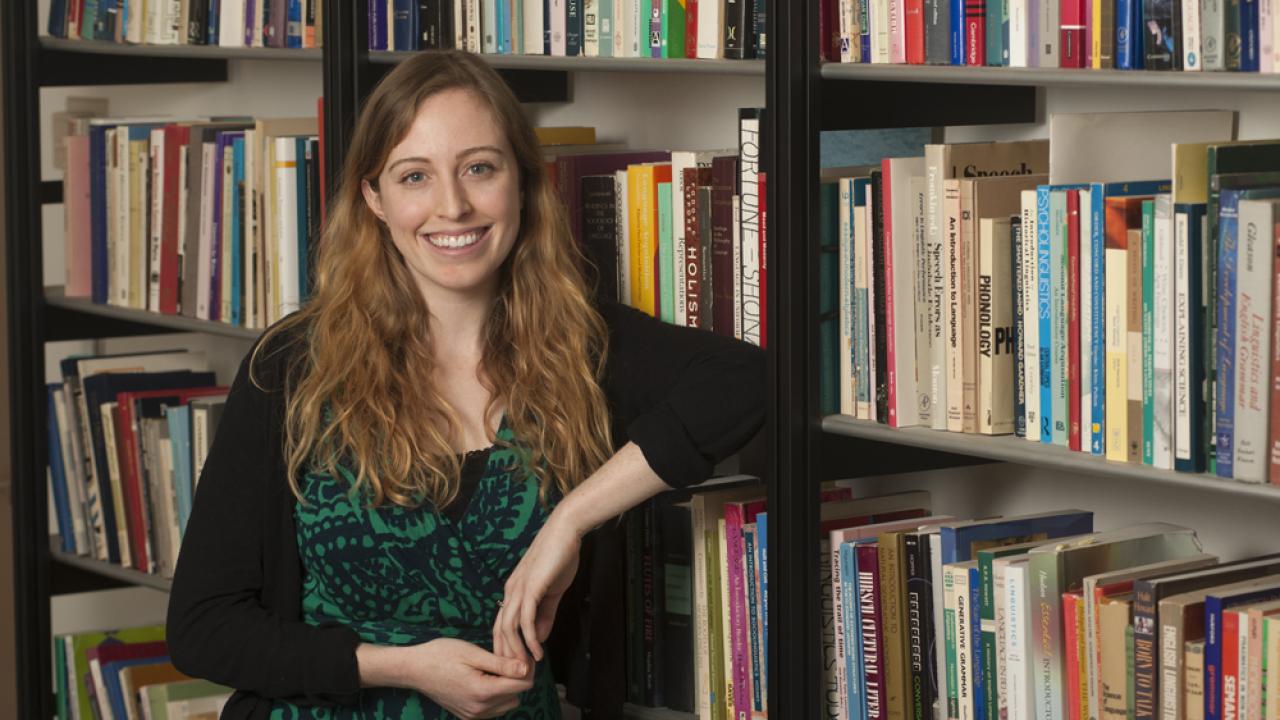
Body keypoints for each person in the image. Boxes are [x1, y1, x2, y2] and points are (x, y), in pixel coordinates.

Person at [167, 49, 765, 720]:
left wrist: (571, 519)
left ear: (522, 181)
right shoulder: (291, 366)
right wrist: (399, 668)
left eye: (479, 168)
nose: (452, 206)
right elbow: (202, 629)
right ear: (374, 198)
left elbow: (751, 381)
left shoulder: (581, 347)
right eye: (414, 176)